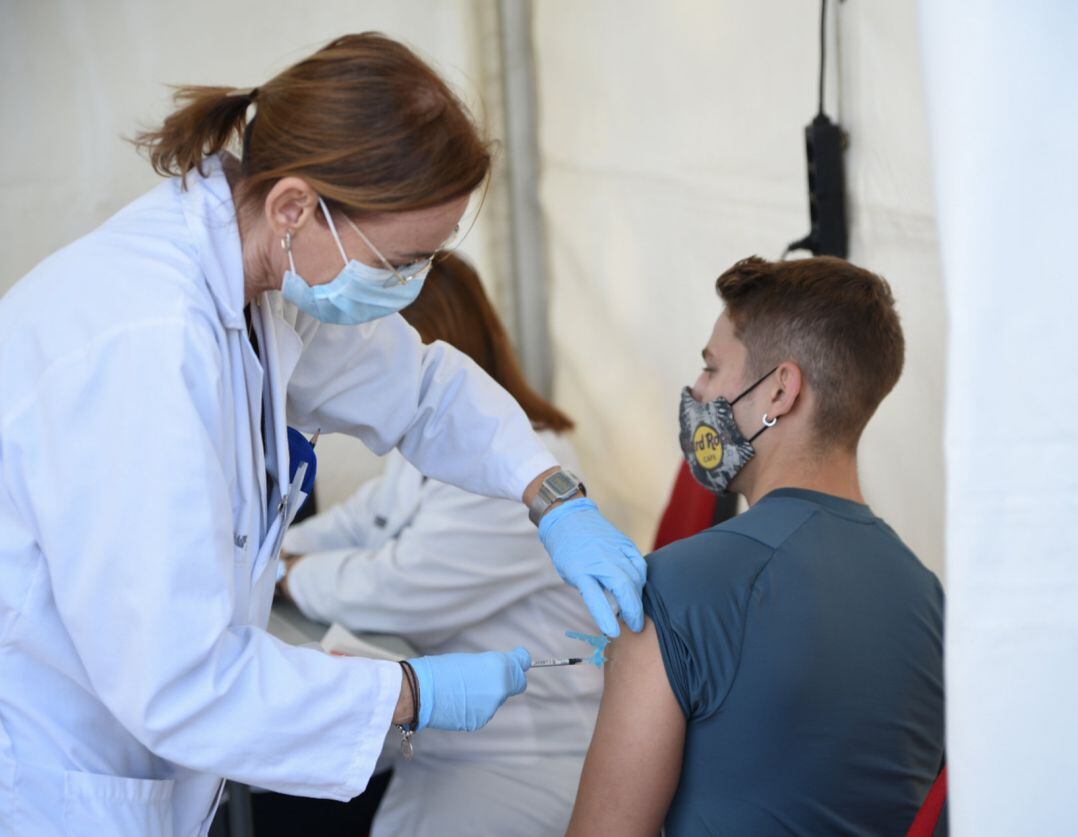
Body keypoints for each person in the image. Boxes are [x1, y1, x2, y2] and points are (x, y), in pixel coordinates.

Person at [0, 33, 645, 836]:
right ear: (295, 206)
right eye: (401, 259)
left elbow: (421, 389)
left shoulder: (269, 285)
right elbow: (182, 683)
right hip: (54, 781)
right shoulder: (145, 345)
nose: (411, 286)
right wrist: (413, 692)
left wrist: (552, 499)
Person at [567, 256, 945, 836]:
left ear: (780, 390)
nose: (698, 390)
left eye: (713, 368)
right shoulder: (930, 601)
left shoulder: (673, 584)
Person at [277, 253, 602, 836]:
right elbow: (359, 525)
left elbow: (394, 586)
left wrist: (285, 574)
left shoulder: (519, 473)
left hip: (520, 755)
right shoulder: (433, 456)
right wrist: (271, 554)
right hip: (445, 736)